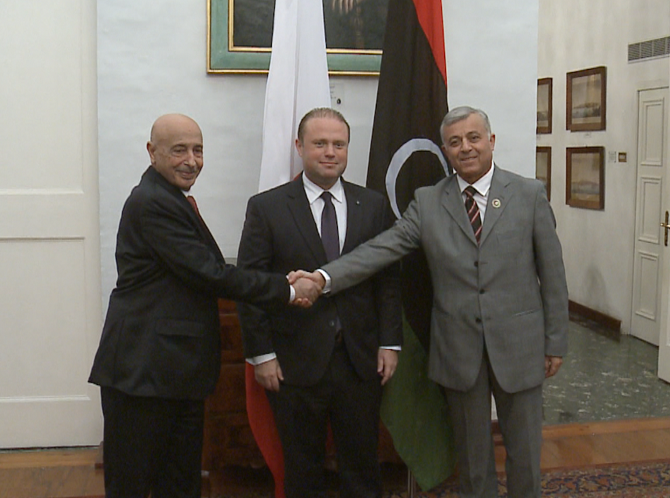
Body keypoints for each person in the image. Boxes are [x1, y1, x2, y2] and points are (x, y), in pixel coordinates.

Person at [293, 106, 569, 498]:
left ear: (491, 141)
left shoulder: (528, 194)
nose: (465, 148)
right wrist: (323, 278)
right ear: (445, 150)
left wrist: (555, 340)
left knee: (525, 454)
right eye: (454, 142)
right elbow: (380, 249)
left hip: (521, 346)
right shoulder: (428, 202)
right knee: (472, 459)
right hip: (459, 351)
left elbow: (552, 274)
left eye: (473, 138)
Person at [88, 113, 320, 498]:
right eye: (179, 150)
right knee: (133, 485)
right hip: (143, 373)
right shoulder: (152, 203)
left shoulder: (169, 199)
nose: (192, 160)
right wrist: (287, 289)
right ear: (152, 152)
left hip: (171, 373)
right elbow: (210, 274)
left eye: (198, 150)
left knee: (180, 484)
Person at [237, 107, 403, 498]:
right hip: (294, 362)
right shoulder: (267, 207)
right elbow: (251, 286)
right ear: (299, 146)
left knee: (362, 469)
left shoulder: (373, 205)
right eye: (320, 143)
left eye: (339, 144)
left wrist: (390, 343)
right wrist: (262, 355)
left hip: (359, 361)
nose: (330, 152)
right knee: (302, 470)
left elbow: (387, 281)